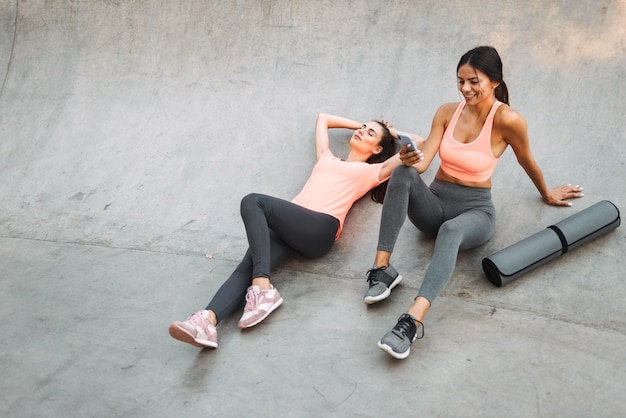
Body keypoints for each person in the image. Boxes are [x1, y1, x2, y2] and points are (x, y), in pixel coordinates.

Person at [363, 46, 584, 360]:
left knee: (451, 231)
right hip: (435, 204)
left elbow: (526, 161)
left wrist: (547, 192)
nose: (465, 88)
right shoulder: (446, 111)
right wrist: (410, 158)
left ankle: (412, 320)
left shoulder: (508, 120)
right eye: (460, 81)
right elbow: (424, 167)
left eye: (474, 81)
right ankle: (382, 269)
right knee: (402, 174)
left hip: (475, 212)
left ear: (494, 81)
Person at [169, 112, 424, 349]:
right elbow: (323, 119)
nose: (362, 131)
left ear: (377, 148)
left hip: (320, 228)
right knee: (245, 268)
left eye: (370, 134)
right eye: (363, 128)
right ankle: (207, 322)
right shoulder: (327, 157)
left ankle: (263, 288)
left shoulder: (371, 171)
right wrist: (359, 126)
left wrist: (392, 132)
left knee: (253, 201)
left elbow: (420, 142)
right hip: (291, 226)